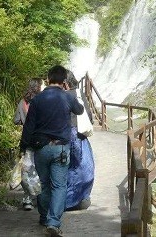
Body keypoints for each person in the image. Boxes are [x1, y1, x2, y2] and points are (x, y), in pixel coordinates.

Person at [20, 65, 84, 237]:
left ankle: (43, 217)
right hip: (61, 149)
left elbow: (29, 126)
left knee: (44, 183)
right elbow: (80, 110)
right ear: (64, 81)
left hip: (41, 148)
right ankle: (53, 222)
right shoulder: (67, 97)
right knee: (59, 185)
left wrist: (24, 146)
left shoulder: (37, 100)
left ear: (48, 79)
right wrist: (70, 91)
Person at [64, 70, 95, 210]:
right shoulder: (78, 94)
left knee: (67, 168)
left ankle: (66, 201)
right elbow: (88, 114)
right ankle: (80, 198)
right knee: (84, 166)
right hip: (79, 135)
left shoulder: (59, 96)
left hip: (62, 135)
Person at [13, 78, 44, 211]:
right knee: (42, 169)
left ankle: (27, 200)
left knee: (28, 170)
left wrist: (24, 121)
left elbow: (16, 120)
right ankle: (41, 198)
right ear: (38, 87)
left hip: (28, 140)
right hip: (42, 140)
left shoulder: (22, 102)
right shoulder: (43, 101)